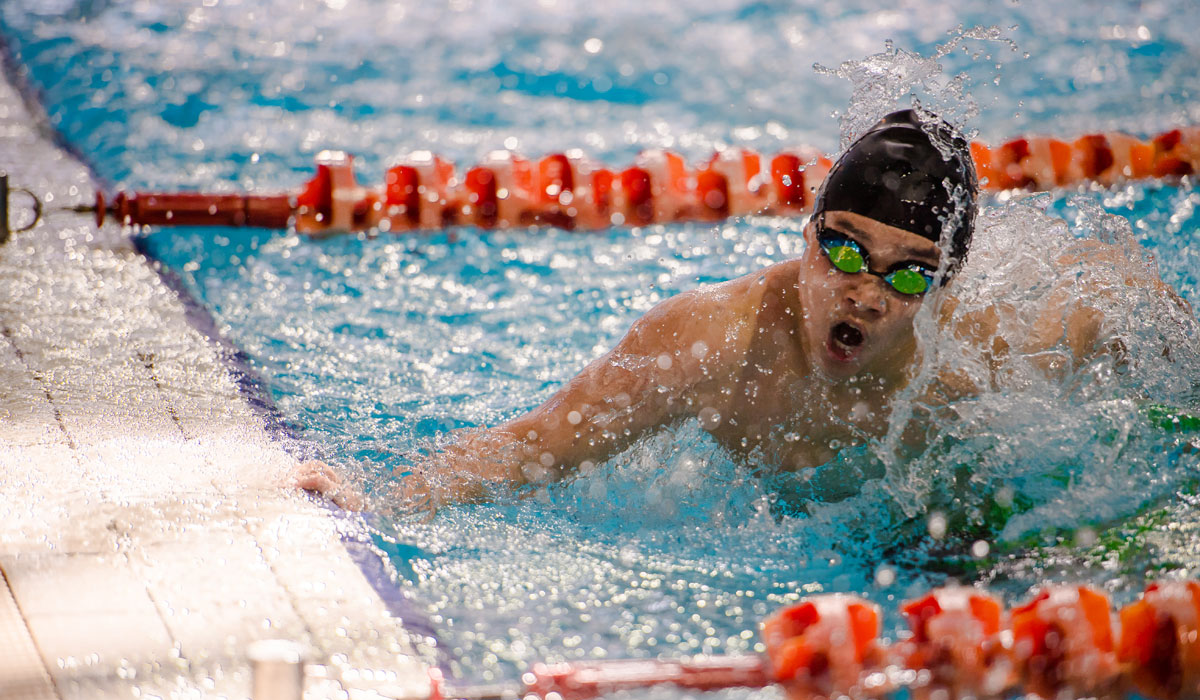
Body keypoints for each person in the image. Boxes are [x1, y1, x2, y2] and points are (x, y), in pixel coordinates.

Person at [292, 109, 1140, 513]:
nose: (864, 291)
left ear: (944, 287)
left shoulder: (971, 365)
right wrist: (388, 503)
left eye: (907, 275)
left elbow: (1113, 307)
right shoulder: (709, 342)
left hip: (949, 506)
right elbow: (535, 444)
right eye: (843, 249)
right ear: (806, 235)